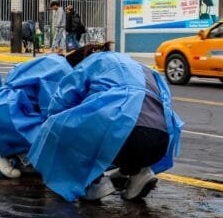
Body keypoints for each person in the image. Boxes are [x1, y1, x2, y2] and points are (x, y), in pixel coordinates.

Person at [27, 44, 183, 202]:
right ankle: (139, 173)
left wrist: (49, 126)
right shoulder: (143, 68)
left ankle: (95, 183)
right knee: (122, 128)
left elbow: (61, 102)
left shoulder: (92, 63)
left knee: (58, 127)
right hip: (161, 141)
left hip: (124, 137)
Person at [0, 54, 72, 178]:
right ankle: (7, 153)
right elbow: (53, 109)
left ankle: (13, 154)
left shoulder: (54, 62)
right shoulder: (64, 71)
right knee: (54, 131)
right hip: (10, 112)